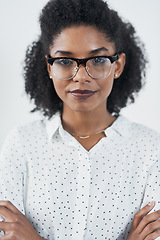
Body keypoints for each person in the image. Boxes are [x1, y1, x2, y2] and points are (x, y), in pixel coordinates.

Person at [0, 0, 160, 239]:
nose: (81, 77)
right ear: (49, 67)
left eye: (97, 60)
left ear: (118, 66)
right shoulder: (22, 144)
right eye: (64, 61)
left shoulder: (150, 148)